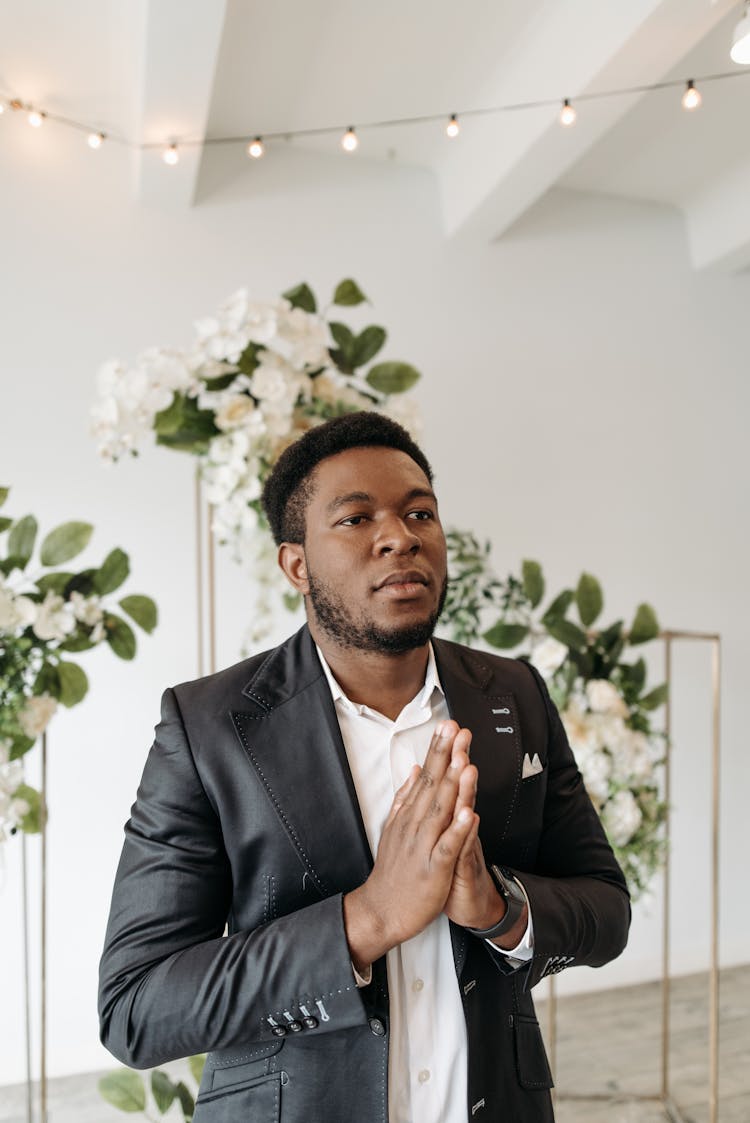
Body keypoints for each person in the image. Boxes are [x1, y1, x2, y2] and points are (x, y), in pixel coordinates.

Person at [99, 411, 630, 1123]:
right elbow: (137, 1006)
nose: (401, 535)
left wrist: (500, 908)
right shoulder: (208, 728)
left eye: (421, 512)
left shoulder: (516, 695)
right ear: (296, 563)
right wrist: (366, 918)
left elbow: (606, 908)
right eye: (356, 518)